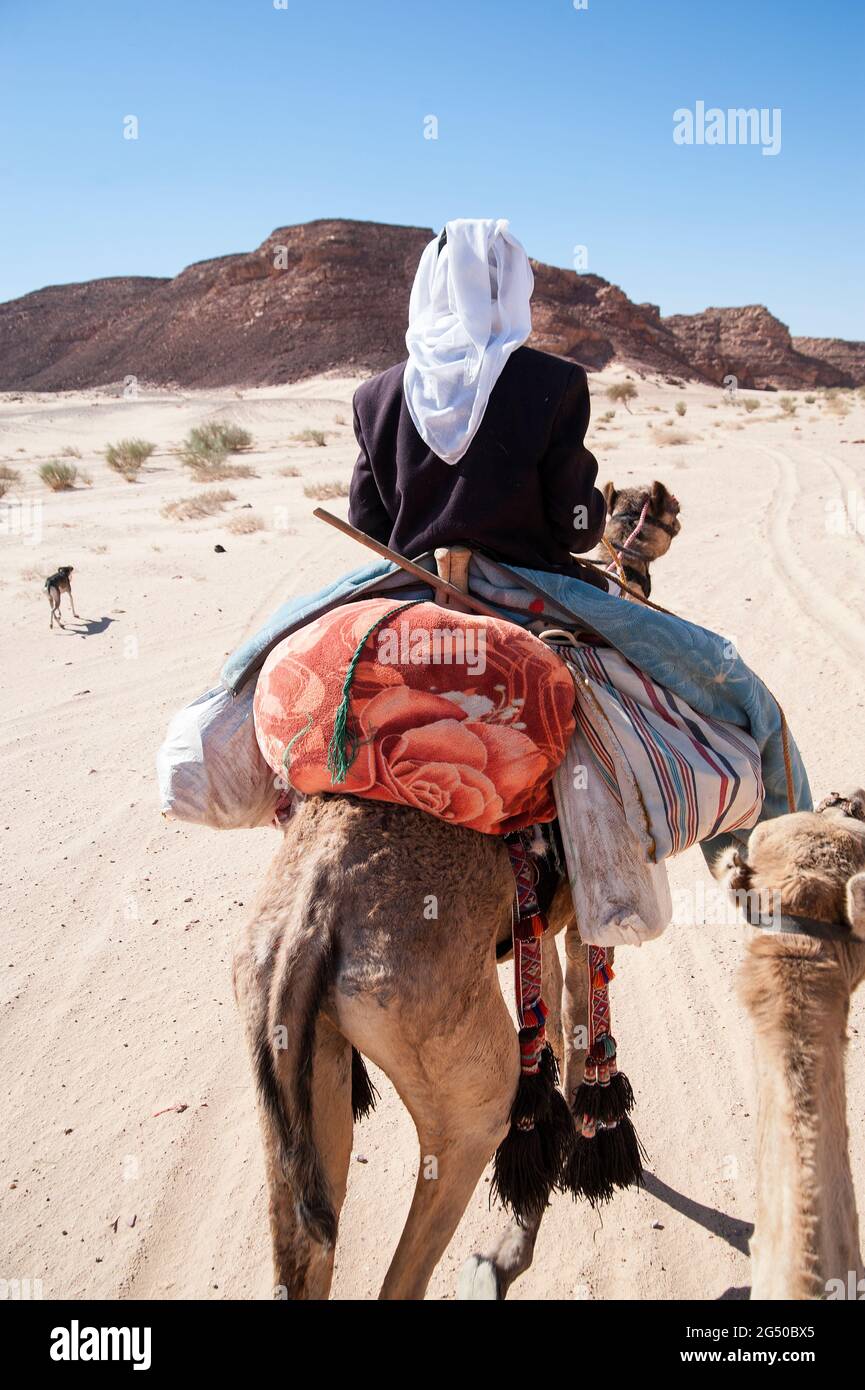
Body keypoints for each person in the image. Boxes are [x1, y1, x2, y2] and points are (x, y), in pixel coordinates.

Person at [348, 218, 607, 587]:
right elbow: (575, 527)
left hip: (413, 585)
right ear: (511, 284)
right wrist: (595, 513)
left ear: (433, 280)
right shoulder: (556, 381)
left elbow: (364, 520)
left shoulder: (373, 396)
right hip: (533, 588)